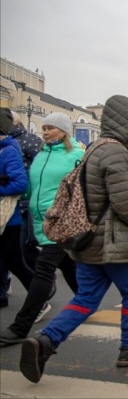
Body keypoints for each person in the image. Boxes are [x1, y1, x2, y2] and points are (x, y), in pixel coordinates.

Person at [18, 95, 128, 384]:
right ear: (124, 123)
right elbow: (123, 202)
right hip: (115, 240)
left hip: (88, 239)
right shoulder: (116, 152)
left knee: (86, 297)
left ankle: (45, 341)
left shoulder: (94, 148)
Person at [0, 112, 84, 347]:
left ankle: (20, 327)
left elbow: (82, 191)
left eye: (51, 128)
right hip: (39, 219)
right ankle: (86, 302)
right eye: (44, 128)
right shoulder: (41, 155)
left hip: (62, 222)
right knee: (68, 265)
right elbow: (32, 186)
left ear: (64, 131)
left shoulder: (76, 155)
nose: (45, 132)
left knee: (43, 271)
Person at [0, 108, 31, 309]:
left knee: (15, 262)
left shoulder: (9, 149)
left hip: (8, 218)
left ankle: (40, 294)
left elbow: (21, 184)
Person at [10, 112, 43, 271]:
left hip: (24, 204)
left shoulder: (30, 140)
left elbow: (39, 170)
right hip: (11, 203)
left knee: (23, 248)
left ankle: (43, 275)